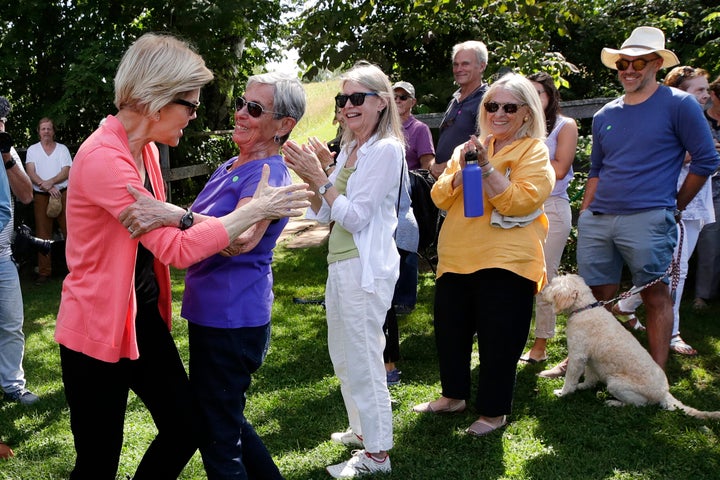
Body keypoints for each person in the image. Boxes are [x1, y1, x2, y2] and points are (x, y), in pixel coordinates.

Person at [53, 33, 310, 480]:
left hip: (139, 318)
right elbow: (176, 247)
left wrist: (186, 216)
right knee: (98, 461)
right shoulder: (105, 160)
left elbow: (175, 226)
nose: (195, 115)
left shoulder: (146, 151)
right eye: (189, 105)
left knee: (188, 424)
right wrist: (255, 209)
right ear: (155, 99)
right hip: (97, 325)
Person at [122, 71, 307, 479]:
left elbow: (241, 240)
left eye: (254, 109)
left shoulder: (268, 175)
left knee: (219, 438)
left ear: (284, 125)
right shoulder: (233, 164)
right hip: (214, 315)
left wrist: (175, 215)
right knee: (224, 415)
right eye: (242, 102)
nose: (240, 113)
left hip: (232, 320)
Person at [540, 26, 719, 379]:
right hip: (599, 217)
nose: (629, 69)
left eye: (638, 62)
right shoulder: (607, 113)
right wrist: (587, 212)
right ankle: (582, 362)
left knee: (654, 293)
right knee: (596, 296)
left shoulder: (679, 104)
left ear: (656, 63)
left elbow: (706, 160)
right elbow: (596, 169)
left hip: (649, 216)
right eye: (623, 63)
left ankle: (655, 373)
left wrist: (674, 205)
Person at [413, 73, 554, 437]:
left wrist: (488, 168)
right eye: (492, 105)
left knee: (499, 339)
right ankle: (453, 396)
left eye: (510, 107)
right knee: (450, 332)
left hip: (507, 260)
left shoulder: (533, 151)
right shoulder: (468, 148)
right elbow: (440, 196)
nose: (499, 113)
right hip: (457, 256)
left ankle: (493, 413)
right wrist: (465, 170)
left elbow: (519, 200)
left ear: (527, 113)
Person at [283, 61, 405, 478]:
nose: (347, 106)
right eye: (341, 99)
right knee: (344, 354)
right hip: (341, 264)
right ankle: (360, 430)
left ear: (382, 103)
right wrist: (314, 176)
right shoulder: (353, 147)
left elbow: (355, 217)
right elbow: (322, 216)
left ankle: (378, 453)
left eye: (357, 98)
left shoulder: (387, 149)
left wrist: (321, 178)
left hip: (365, 268)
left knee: (365, 357)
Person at [611, 66, 715, 356]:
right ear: (680, 91)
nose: (706, 95)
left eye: (706, 89)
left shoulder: (693, 117)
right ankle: (671, 332)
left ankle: (626, 305)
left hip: (693, 202)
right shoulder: (673, 113)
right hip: (673, 200)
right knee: (674, 270)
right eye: (699, 90)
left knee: (670, 267)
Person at [519, 72, 579, 364]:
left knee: (544, 277)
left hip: (551, 207)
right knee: (514, 276)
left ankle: (541, 343)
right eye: (527, 93)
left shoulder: (564, 126)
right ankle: (513, 337)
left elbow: (559, 168)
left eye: (538, 93)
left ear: (550, 96)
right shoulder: (517, 125)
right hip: (517, 208)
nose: (533, 98)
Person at [0, 97, 38, 406]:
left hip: (2, 256)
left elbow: (26, 195)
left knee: (12, 323)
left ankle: (13, 385)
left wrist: (6, 155)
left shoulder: (7, 151)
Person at [431, 40, 489, 179]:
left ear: (482, 66)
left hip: (468, 179)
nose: (458, 69)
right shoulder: (454, 100)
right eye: (456, 64)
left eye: (465, 64)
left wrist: (446, 166)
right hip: (445, 182)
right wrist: (434, 164)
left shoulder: (488, 101)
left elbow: (487, 145)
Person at [25, 117, 72, 285]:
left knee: (71, 233)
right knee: (42, 235)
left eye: (49, 128)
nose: (46, 131)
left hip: (63, 194)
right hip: (41, 196)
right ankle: (44, 272)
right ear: (38, 131)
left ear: (53, 131)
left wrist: (51, 183)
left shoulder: (62, 149)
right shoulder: (33, 150)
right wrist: (45, 187)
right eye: (43, 128)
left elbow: (67, 171)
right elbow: (30, 171)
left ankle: (74, 270)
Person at [693, 75, 720, 311]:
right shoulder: (698, 120)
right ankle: (702, 295)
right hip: (706, 187)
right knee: (710, 242)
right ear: (714, 96)